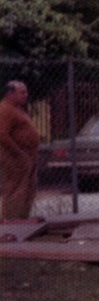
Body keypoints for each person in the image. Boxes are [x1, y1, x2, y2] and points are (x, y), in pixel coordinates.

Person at [0, 80, 40, 220]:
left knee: (28, 190)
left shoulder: (18, 109)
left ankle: (22, 220)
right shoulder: (6, 109)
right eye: (22, 92)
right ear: (10, 93)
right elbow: (2, 134)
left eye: (26, 92)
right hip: (15, 157)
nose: (26, 95)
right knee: (15, 190)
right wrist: (18, 153)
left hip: (28, 156)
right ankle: (12, 223)